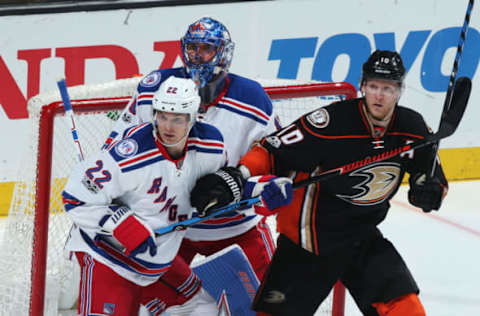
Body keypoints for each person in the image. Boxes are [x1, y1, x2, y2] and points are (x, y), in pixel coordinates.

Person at [190, 50, 449, 316]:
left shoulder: (413, 127)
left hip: (363, 237)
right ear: (362, 86)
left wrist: (429, 191)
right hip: (309, 242)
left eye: (387, 88)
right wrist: (238, 175)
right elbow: (273, 149)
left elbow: (431, 176)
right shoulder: (332, 123)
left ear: (399, 91)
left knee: (406, 309)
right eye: (373, 86)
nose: (379, 95)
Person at [105, 16, 279, 292]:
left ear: (224, 53)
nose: (198, 57)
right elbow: (117, 148)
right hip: (172, 229)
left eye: (206, 49)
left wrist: (239, 183)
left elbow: (275, 155)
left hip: (235, 227)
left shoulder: (252, 97)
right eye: (192, 49)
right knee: (148, 304)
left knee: (275, 303)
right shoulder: (156, 88)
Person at [62, 77, 227, 316]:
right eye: (162, 116)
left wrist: (250, 187)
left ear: (192, 117)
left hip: (156, 261)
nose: (168, 127)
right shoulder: (129, 154)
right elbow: (74, 198)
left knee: (204, 309)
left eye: (177, 119)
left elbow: (224, 181)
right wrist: (122, 224)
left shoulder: (211, 146)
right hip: (108, 257)